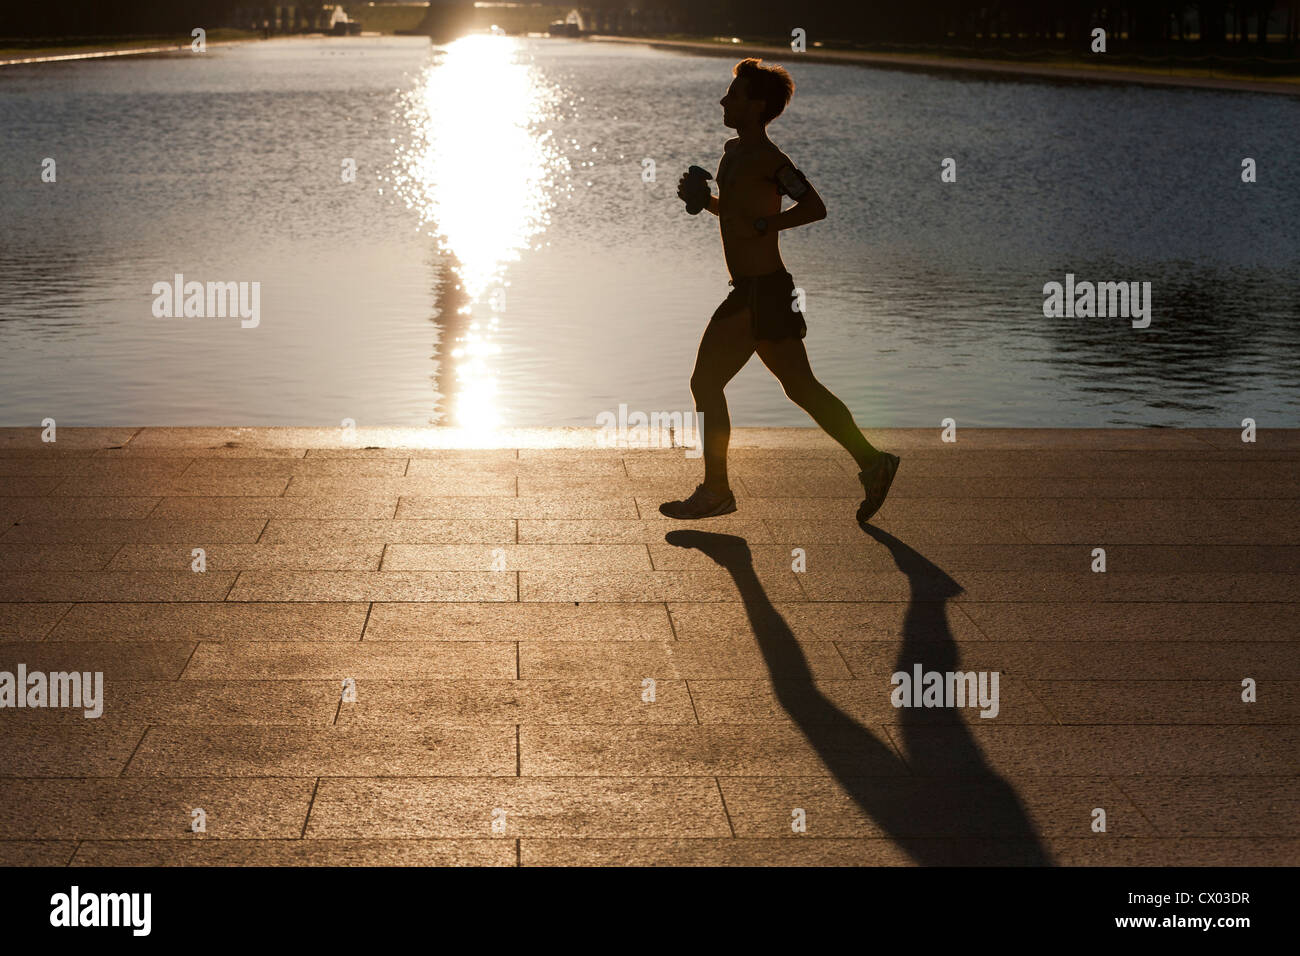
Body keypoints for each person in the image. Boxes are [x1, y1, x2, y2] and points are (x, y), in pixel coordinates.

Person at [660, 57, 900, 525]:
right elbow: (733, 215)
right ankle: (874, 462)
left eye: (733, 95)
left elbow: (814, 207)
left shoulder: (772, 160)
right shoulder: (732, 153)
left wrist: (769, 221)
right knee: (801, 387)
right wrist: (701, 201)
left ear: (756, 106)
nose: (724, 100)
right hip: (759, 290)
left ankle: (716, 490)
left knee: (706, 383)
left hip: (760, 293)